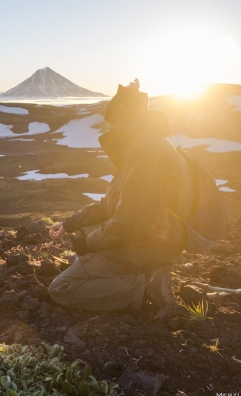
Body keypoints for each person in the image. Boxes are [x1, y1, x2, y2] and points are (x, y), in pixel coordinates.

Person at [47, 79, 192, 319]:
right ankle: (151, 271)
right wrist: (69, 223)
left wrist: (89, 244)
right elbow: (110, 204)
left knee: (62, 288)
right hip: (156, 238)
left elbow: (128, 221)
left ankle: (143, 286)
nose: (106, 129)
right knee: (83, 241)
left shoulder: (145, 152)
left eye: (109, 122)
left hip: (148, 244)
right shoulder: (144, 145)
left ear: (123, 122)